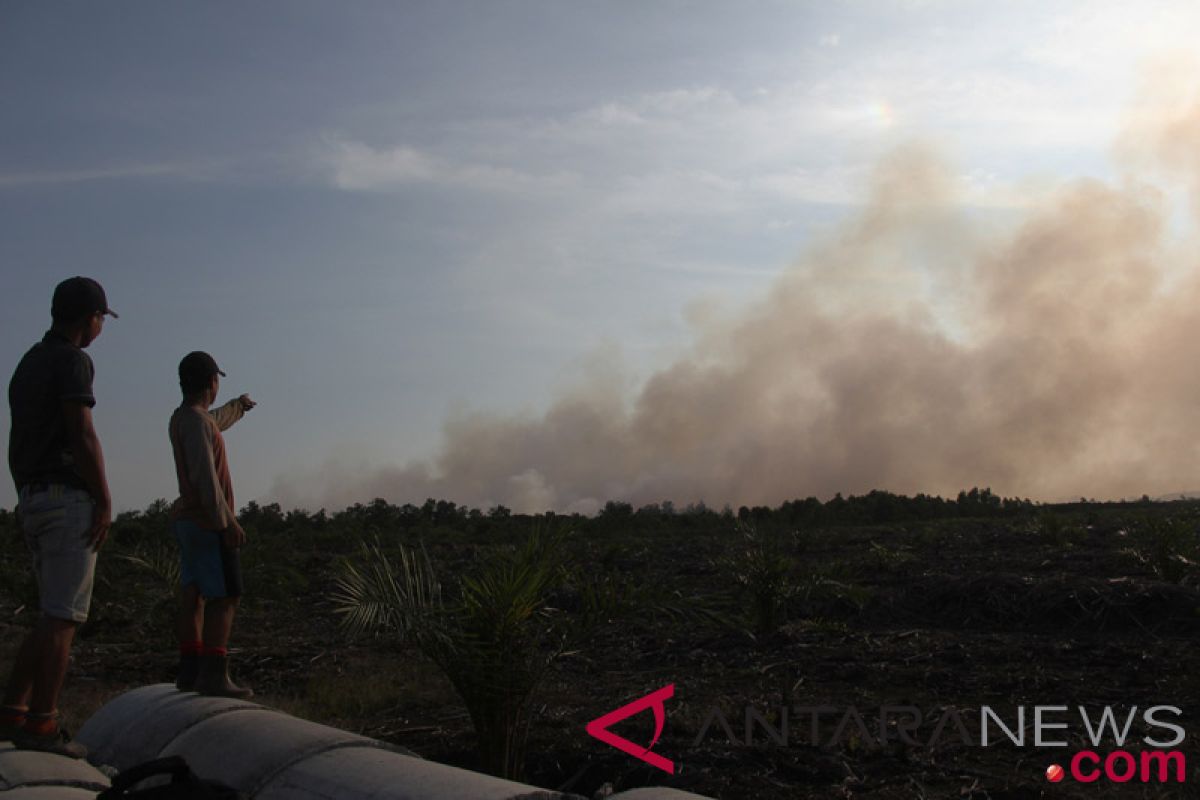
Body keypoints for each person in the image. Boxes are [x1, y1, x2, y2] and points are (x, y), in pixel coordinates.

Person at [2, 277, 117, 758]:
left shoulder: (28, 363)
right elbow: (82, 432)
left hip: (31, 496)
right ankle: (43, 725)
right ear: (89, 318)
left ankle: (12, 712)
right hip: (65, 499)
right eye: (100, 319)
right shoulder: (74, 361)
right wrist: (104, 500)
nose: (100, 328)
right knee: (64, 620)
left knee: (51, 614)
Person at [169, 351, 256, 698]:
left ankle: (190, 670)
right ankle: (214, 675)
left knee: (194, 594)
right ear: (211, 383)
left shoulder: (184, 419)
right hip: (207, 522)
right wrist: (227, 523)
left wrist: (238, 406)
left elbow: (214, 420)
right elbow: (207, 478)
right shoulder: (198, 423)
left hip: (187, 522)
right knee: (227, 596)